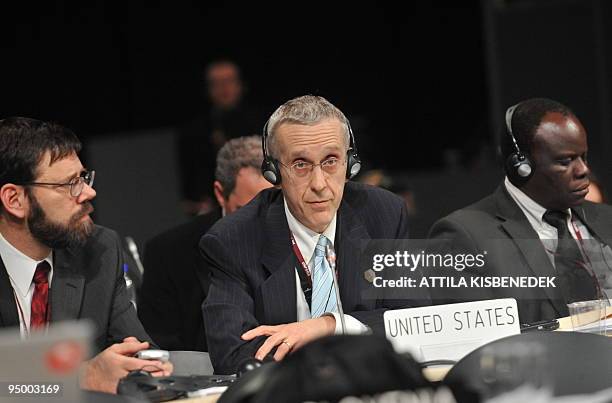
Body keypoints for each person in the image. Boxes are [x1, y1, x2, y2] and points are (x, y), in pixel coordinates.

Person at [201, 95, 428, 374]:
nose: (319, 184)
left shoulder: (383, 214)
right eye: (300, 164)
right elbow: (233, 354)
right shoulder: (233, 239)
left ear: (351, 165)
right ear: (273, 173)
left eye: (331, 161)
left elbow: (415, 320)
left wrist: (328, 325)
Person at [0, 117, 172, 394]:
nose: (89, 192)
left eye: (83, 177)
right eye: (70, 184)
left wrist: (146, 366)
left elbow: (136, 348)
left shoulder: (98, 248)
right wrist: (76, 378)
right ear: (14, 200)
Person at [428, 98, 612, 324]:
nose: (584, 170)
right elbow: (477, 343)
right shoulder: (464, 237)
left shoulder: (606, 219)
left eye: (583, 157)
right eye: (565, 161)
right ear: (520, 166)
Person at [138, 136, 271, 351]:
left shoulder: (303, 236)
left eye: (272, 207)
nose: (261, 222)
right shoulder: (168, 252)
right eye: (246, 211)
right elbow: (160, 343)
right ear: (220, 194)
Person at [178, 59, 265, 215]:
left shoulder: (262, 122)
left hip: (261, 200)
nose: (224, 88)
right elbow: (191, 178)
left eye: (228, 81)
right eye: (216, 83)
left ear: (241, 85)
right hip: (214, 208)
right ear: (208, 89)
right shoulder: (195, 131)